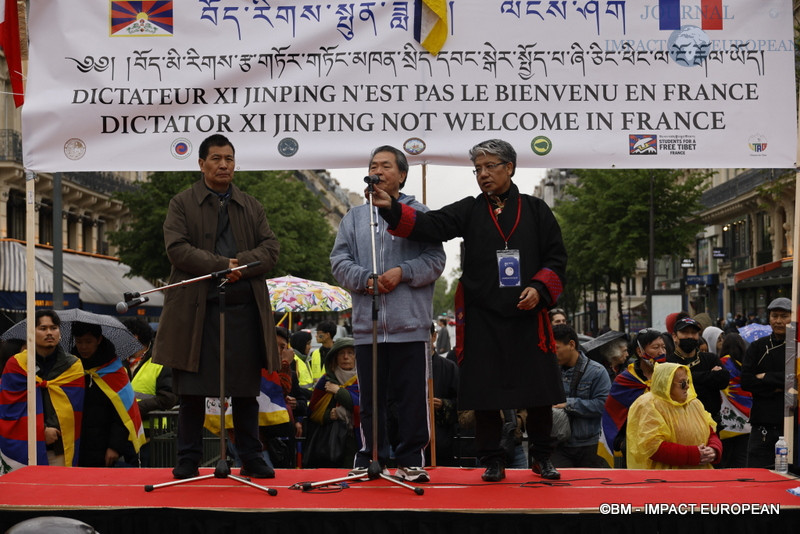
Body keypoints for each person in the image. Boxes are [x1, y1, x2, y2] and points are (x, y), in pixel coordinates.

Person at [371, 139, 567, 482]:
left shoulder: (537, 210)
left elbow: (556, 259)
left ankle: (541, 457)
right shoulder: (471, 210)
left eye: (490, 166)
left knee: (538, 393)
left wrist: (538, 288)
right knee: (486, 394)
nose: (483, 174)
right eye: (478, 168)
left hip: (527, 315)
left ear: (509, 167)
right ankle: (492, 459)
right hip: (483, 316)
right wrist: (391, 208)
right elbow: (432, 225)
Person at [152, 133, 280, 480]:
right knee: (190, 391)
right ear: (201, 164)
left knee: (245, 392)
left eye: (229, 159)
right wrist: (223, 265)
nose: (224, 165)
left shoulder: (251, 205)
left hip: (243, 311)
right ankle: (188, 458)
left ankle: (252, 456)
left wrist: (241, 265)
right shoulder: (182, 203)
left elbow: (270, 249)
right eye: (216, 159)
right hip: (197, 312)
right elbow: (177, 249)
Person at [331, 144, 445, 482]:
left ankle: (411, 459)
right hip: (368, 325)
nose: (377, 171)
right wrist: (365, 280)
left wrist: (403, 272)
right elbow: (339, 262)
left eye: (385, 165)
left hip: (410, 324)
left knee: (412, 398)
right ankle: (370, 457)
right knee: (370, 400)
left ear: (402, 175)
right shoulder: (353, 218)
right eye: (373, 165)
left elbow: (435, 261)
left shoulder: (418, 213)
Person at [0, 310, 85, 469]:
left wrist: (53, 430)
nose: (49, 333)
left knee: (57, 492)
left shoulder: (73, 366)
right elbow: (9, 408)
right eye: (43, 328)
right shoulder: (17, 365)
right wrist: (41, 431)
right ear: (32, 331)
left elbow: (73, 409)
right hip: (23, 449)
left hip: (58, 448)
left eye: (53, 328)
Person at [71, 321, 145, 467]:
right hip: (76, 444)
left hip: (105, 446)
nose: (83, 347)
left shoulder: (115, 369)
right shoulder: (71, 367)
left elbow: (123, 411)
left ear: (99, 340)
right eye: (79, 342)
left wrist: (115, 446)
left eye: (88, 341)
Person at [627, 362, 722, 469]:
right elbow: (651, 446)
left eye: (688, 381)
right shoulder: (648, 405)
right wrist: (691, 454)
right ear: (666, 383)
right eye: (682, 383)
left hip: (701, 474)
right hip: (665, 478)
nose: (687, 387)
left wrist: (714, 449)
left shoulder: (694, 403)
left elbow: (710, 431)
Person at [601, 328, 665, 467]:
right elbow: (612, 414)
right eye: (656, 347)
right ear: (640, 351)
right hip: (633, 446)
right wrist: (620, 442)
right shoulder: (625, 380)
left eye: (663, 347)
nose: (662, 352)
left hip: (666, 444)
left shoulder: (668, 377)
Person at [741, 297, 792, 468]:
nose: (778, 321)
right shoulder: (757, 347)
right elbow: (746, 381)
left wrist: (766, 377)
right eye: (774, 316)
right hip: (762, 426)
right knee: (757, 477)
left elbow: (795, 379)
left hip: (792, 426)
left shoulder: (797, 347)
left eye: (784, 316)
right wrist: (780, 386)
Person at [551, 324, 610, 468]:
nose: (553, 353)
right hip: (558, 444)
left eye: (556, 348)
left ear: (571, 344)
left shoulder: (596, 371)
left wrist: (568, 404)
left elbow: (604, 405)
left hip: (589, 445)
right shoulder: (550, 371)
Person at [121, 319, 177, 467]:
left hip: (153, 435)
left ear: (135, 338)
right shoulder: (119, 363)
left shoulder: (160, 361)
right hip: (124, 433)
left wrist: (137, 409)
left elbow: (169, 398)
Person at [305, 337, 360, 468]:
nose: (346, 357)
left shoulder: (365, 379)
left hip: (358, 441)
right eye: (341, 353)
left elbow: (366, 408)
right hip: (330, 443)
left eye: (350, 353)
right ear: (335, 357)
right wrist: (328, 415)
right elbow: (313, 412)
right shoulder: (326, 380)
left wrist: (339, 392)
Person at [667, 317, 729, 426]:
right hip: (680, 424)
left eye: (694, 333)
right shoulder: (668, 363)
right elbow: (669, 387)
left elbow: (723, 380)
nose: (690, 336)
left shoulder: (710, 358)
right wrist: (710, 376)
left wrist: (686, 378)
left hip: (711, 423)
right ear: (675, 336)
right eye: (685, 333)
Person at [426, 323, 459, 466]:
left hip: (442, 440)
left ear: (434, 337)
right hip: (412, 443)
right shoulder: (404, 369)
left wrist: (443, 404)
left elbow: (461, 403)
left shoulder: (449, 367)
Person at [717, 332, 751, 468]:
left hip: (727, 422)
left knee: (725, 461)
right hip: (747, 421)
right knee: (741, 461)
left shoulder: (722, 363)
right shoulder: (746, 365)